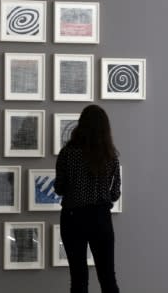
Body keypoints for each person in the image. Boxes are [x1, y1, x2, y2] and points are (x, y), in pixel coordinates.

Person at [54, 105, 121, 293]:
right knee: (108, 278)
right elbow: (115, 193)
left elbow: (59, 188)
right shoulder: (110, 156)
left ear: (81, 125)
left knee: (78, 279)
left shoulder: (67, 153)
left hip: (73, 217)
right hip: (100, 218)